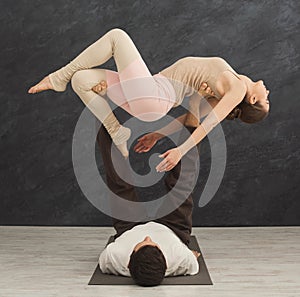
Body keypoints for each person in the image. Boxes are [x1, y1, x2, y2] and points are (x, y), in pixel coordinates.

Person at [28, 28, 270, 166]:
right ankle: (117, 130)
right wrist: (156, 135)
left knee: (117, 37)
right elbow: (191, 119)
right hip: (151, 94)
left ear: (252, 100)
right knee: (81, 81)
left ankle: (59, 77)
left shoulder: (238, 88)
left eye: (266, 100)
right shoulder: (227, 87)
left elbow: (208, 124)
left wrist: (180, 151)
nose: (268, 92)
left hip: (154, 95)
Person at [95, 106, 203, 286]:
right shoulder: (179, 259)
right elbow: (193, 263)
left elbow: (105, 255)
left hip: (129, 227)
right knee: (182, 181)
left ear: (128, 263)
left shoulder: (113, 258)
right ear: (167, 262)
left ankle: (98, 102)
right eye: (153, 243)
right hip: (173, 229)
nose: (147, 237)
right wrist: (189, 255)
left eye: (142, 243)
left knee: (118, 181)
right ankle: (196, 104)